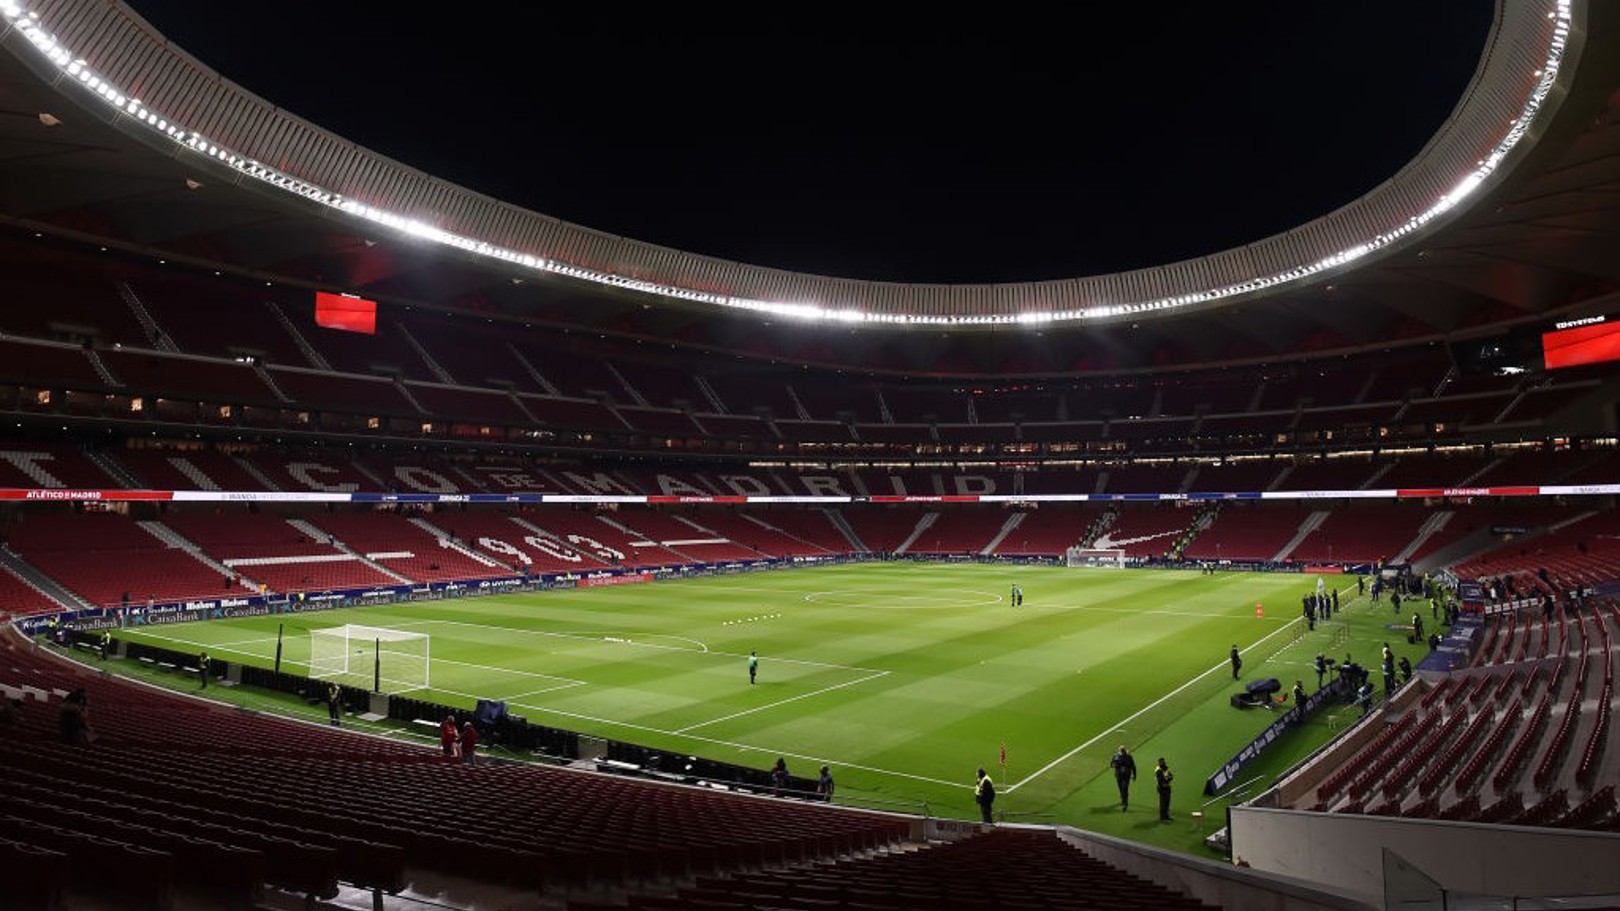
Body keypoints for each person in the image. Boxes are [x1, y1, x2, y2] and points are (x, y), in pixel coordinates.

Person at [1109, 745, 1137, 811]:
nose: (1123, 752)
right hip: (1119, 775)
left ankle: (1125, 804)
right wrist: (1115, 765)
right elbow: (1111, 764)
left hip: (1126, 776)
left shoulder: (1129, 757)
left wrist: (1134, 775)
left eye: (1123, 750)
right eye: (1121, 751)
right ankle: (1123, 800)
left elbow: (1133, 766)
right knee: (1121, 789)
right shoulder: (1116, 756)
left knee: (1125, 788)